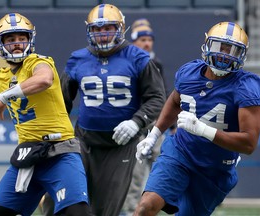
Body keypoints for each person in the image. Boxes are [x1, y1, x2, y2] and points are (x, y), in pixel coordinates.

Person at [41, 4, 166, 216]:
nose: (103, 33)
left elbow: (156, 97)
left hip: (121, 147)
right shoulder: (77, 59)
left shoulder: (139, 58)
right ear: (90, 31)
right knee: (61, 199)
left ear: (121, 28)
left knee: (104, 209)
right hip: (83, 141)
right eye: (97, 29)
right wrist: (56, 135)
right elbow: (61, 101)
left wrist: (136, 121)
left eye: (108, 27)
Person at [134, 21, 260, 216]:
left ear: (241, 55)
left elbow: (249, 143)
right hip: (181, 152)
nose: (223, 55)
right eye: (220, 47)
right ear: (207, 45)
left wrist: (204, 130)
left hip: (215, 169)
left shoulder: (246, 86)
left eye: (232, 50)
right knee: (146, 207)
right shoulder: (190, 73)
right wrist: (154, 134)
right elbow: (175, 101)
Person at [0, 13, 92, 216]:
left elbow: (43, 79)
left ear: (30, 40)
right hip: (28, 157)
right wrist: (2, 94)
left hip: (60, 153)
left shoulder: (38, 62)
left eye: (22, 38)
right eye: (10, 39)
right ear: (0, 44)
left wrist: (5, 97)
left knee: (77, 214)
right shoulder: (3, 77)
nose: (17, 43)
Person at [122, 18, 174, 216]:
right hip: (136, 123)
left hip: (156, 124)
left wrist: (172, 122)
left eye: (149, 39)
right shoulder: (127, 62)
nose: (146, 43)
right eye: (142, 39)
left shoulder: (155, 62)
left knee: (164, 166)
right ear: (134, 41)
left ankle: (163, 205)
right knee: (135, 172)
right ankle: (130, 210)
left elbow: (164, 93)